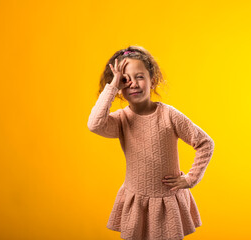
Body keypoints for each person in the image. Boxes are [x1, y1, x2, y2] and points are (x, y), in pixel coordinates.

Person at [87, 45, 215, 240]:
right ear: (120, 88)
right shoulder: (121, 120)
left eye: (139, 77)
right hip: (136, 200)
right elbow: (94, 124)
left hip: (167, 201)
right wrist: (112, 86)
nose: (133, 84)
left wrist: (191, 178)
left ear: (152, 81)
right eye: (125, 79)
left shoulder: (169, 115)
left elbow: (205, 143)